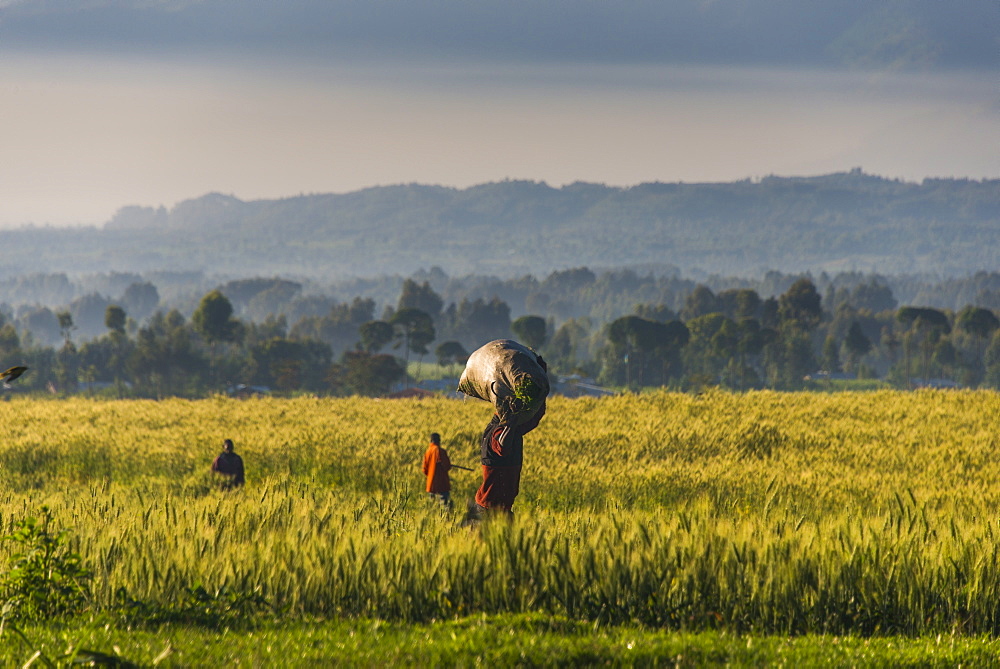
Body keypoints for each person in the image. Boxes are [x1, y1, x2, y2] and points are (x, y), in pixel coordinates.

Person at [469, 400, 545, 522]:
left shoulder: (512, 430)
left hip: (500, 508)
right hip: (489, 511)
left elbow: (533, 420)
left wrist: (541, 396)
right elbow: (502, 447)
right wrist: (513, 418)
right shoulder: (497, 431)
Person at [422, 432, 452, 507]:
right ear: (439, 440)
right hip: (442, 484)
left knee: (432, 507)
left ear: (431, 440)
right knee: (445, 506)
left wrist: (431, 476)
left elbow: (424, 470)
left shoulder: (427, 452)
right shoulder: (441, 451)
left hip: (431, 485)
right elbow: (447, 467)